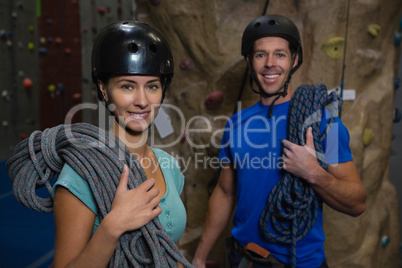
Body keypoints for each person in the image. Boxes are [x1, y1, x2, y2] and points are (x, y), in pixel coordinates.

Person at [192, 14, 366, 268]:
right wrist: (199, 257)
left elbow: (357, 202)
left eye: (280, 55)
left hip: (300, 263)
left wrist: (313, 173)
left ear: (294, 60)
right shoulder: (237, 123)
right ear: (250, 62)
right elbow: (225, 192)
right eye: (261, 55)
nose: (270, 64)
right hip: (243, 260)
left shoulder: (322, 122)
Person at [49, 21, 188, 267]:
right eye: (127, 86)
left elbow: (170, 250)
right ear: (104, 89)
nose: (142, 101)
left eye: (152, 86)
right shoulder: (82, 174)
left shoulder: (169, 166)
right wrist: (113, 226)